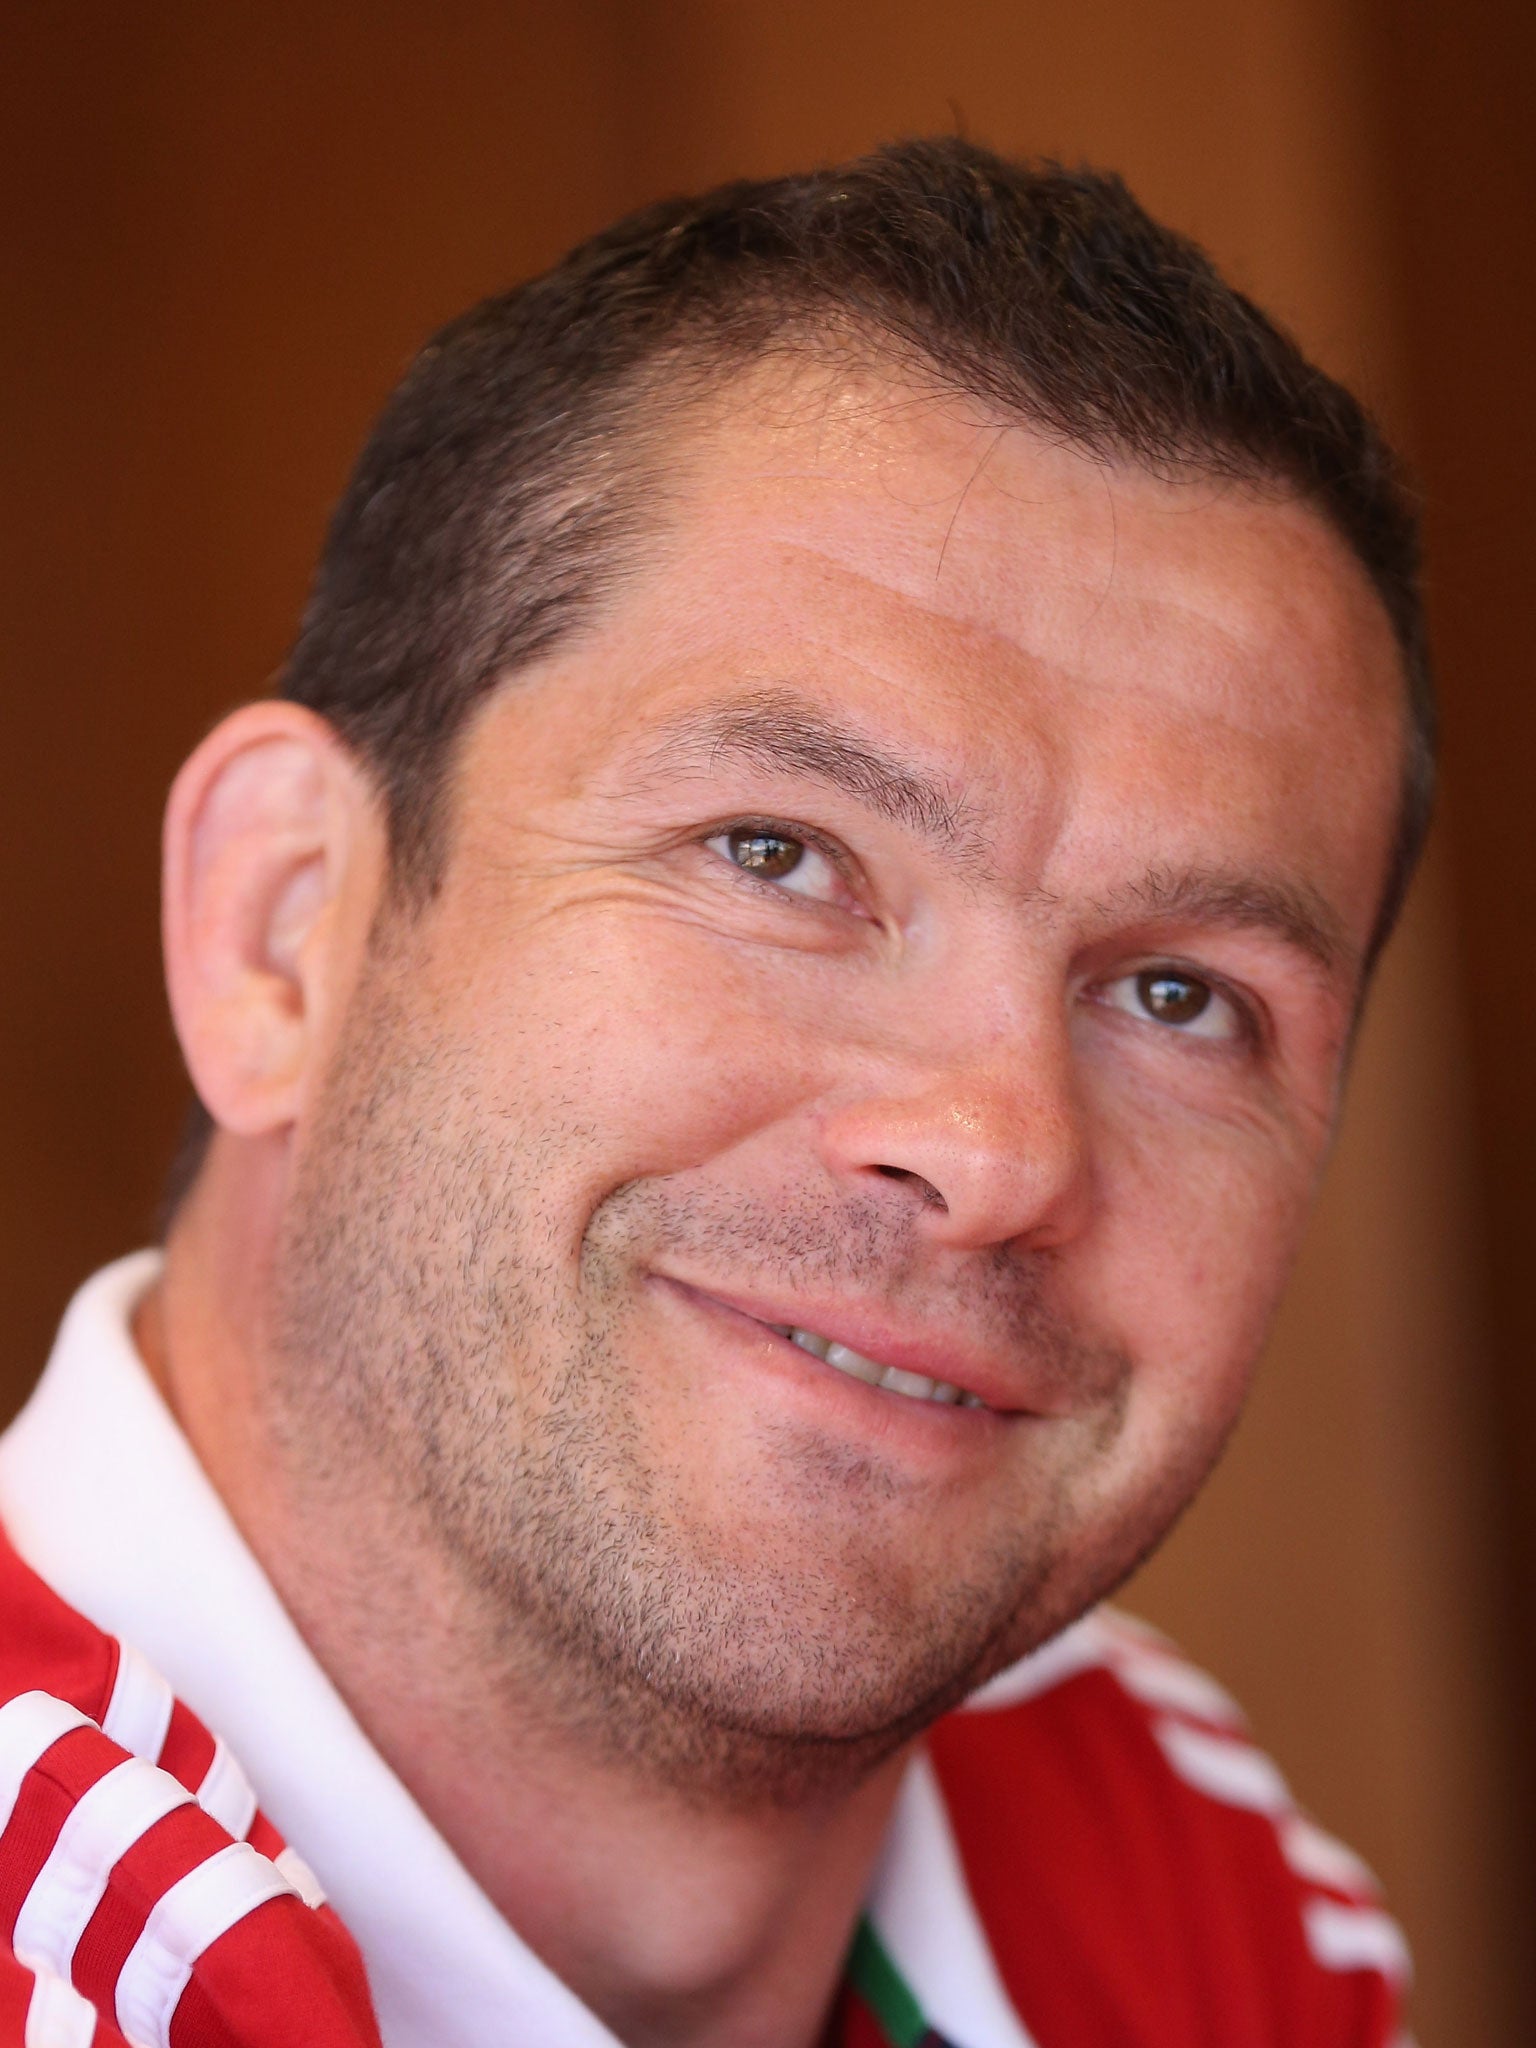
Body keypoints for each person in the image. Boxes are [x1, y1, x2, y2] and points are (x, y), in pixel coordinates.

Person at [0, 138, 1427, 2048]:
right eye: (777, 854)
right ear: (286, 933)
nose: (999, 1149)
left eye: (1180, 994)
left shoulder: (1189, 1886)